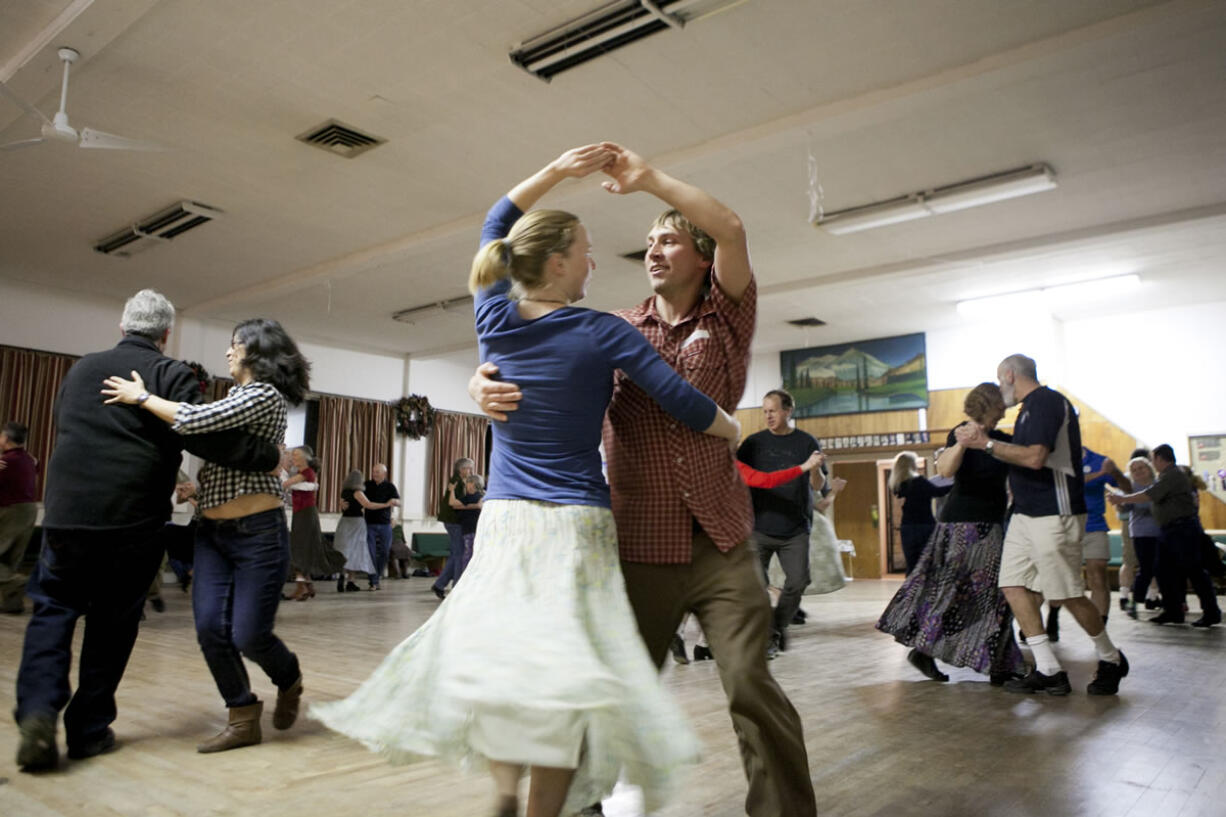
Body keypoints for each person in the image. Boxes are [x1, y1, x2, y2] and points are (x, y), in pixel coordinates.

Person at [314, 145, 743, 817]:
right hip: (574, 522)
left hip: (506, 516)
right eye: (587, 250)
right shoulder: (603, 331)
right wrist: (734, 430)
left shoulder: (494, 320)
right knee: (563, 679)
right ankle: (541, 807)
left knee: (511, 666)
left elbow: (494, 223)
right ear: (558, 262)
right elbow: (680, 400)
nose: (595, 262)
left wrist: (554, 172)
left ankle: (506, 789)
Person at [469, 143, 818, 817]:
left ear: (700, 255)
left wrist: (648, 179)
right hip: (636, 542)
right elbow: (542, 374)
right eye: (647, 241)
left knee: (749, 680)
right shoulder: (611, 328)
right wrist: (482, 384)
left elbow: (733, 229)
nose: (653, 250)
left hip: (719, 535)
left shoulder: (727, 316)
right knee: (601, 687)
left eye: (667, 239)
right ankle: (573, 806)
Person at [14, 290, 279, 772]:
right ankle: (88, 731)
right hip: (131, 519)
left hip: (66, 514)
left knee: (52, 614)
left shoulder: (81, 370)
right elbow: (208, 435)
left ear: (122, 328)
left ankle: (36, 713)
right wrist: (268, 456)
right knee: (112, 625)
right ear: (165, 335)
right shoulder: (169, 373)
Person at [102, 317, 313, 752]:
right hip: (212, 532)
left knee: (249, 634)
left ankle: (288, 677)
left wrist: (142, 397)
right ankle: (242, 715)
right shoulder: (238, 393)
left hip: (259, 533)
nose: (228, 352)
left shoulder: (263, 394)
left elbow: (198, 420)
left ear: (256, 350)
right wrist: (196, 488)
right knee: (210, 631)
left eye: (235, 344)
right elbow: (220, 452)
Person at [956, 354, 1127, 696]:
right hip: (1024, 513)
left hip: (1055, 511)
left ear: (1008, 374)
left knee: (1065, 593)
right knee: (1013, 586)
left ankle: (1111, 658)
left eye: (999, 378)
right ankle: (1049, 668)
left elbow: (1035, 457)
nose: (999, 386)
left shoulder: (1047, 401)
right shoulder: (1025, 412)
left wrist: (986, 444)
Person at [878, 383, 1026, 685]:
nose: (1005, 408)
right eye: (1001, 404)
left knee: (994, 595)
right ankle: (930, 652)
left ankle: (996, 661)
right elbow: (945, 470)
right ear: (988, 404)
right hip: (960, 525)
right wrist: (962, 442)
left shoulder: (1001, 440)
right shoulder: (959, 432)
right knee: (948, 592)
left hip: (992, 525)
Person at [737, 389, 825, 657]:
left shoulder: (807, 442)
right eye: (764, 411)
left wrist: (816, 469)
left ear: (788, 411)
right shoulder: (752, 444)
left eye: (772, 411)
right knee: (756, 587)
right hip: (759, 527)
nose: (768, 416)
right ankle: (768, 638)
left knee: (798, 582)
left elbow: (819, 486)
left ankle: (773, 629)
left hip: (795, 528)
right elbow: (746, 480)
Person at [1108, 444, 1221, 627]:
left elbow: (1150, 495)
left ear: (1161, 459)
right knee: (1163, 570)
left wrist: (1122, 499)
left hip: (1182, 530)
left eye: (1153, 460)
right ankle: (1173, 611)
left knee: (1194, 571)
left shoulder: (1173, 475)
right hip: (1170, 531)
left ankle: (1211, 612)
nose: (1153, 463)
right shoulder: (1167, 476)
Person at [1046, 446, 1130, 636]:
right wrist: (1100, 473)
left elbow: (1127, 488)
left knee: (1097, 575)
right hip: (1064, 527)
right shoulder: (1056, 458)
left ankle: (1100, 628)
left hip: (1094, 525)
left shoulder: (1099, 460)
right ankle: (1053, 612)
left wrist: (1115, 472)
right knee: (1063, 578)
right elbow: (1070, 483)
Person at [283, 445, 344, 601]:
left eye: (295, 455)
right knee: (302, 548)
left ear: (304, 458)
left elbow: (285, 484)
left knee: (299, 548)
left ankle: (301, 587)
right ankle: (307, 586)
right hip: (302, 513)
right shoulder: (303, 473)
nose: (292, 458)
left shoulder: (306, 472)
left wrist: (280, 477)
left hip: (305, 514)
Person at [888, 450, 953, 575]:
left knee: (912, 564)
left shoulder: (900, 484)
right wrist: (958, 485)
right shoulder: (918, 481)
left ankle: (910, 592)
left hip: (907, 527)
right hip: (924, 525)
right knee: (928, 563)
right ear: (911, 464)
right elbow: (938, 492)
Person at [0, 421, 38, 614]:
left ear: (6, 439)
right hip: (29, 509)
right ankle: (12, 604)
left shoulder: (7, 461)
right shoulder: (27, 459)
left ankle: (22, 581)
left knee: (3, 556)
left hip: (12, 510)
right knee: (11, 558)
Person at [1116, 456, 1161, 620]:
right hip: (1141, 532)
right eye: (1134, 470)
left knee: (1162, 568)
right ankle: (1134, 602)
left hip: (1161, 531)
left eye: (1141, 468)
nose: (1138, 472)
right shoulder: (1129, 488)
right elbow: (1123, 510)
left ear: (1149, 468)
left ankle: (1159, 599)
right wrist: (1120, 502)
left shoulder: (1158, 484)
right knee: (1145, 569)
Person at [432, 457, 474, 600]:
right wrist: (474, 505)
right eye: (468, 468)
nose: (470, 471)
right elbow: (455, 503)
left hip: (455, 521)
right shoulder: (457, 482)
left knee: (456, 553)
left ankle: (440, 584)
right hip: (453, 521)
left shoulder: (460, 481)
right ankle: (456, 587)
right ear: (461, 469)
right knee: (459, 554)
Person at [335, 470, 376, 592]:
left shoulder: (344, 492)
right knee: (356, 551)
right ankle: (351, 581)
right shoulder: (358, 492)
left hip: (344, 522)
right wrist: (385, 504)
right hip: (356, 522)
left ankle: (341, 575)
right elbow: (367, 504)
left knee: (344, 551)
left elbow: (342, 506)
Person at [361, 463, 400, 589]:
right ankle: (373, 580)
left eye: (377, 472)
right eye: (373, 472)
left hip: (385, 524)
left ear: (384, 474)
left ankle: (376, 577)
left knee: (385, 551)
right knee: (371, 552)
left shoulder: (390, 486)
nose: (374, 474)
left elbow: (398, 501)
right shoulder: (367, 485)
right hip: (369, 524)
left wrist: (395, 503)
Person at [456, 473, 485, 573]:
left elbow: (480, 506)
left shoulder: (482, 495)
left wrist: (465, 506)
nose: (467, 485)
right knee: (468, 554)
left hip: (478, 529)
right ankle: (466, 576)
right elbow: (454, 505)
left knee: (474, 554)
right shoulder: (467, 497)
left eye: (468, 483)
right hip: (468, 529)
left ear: (473, 484)